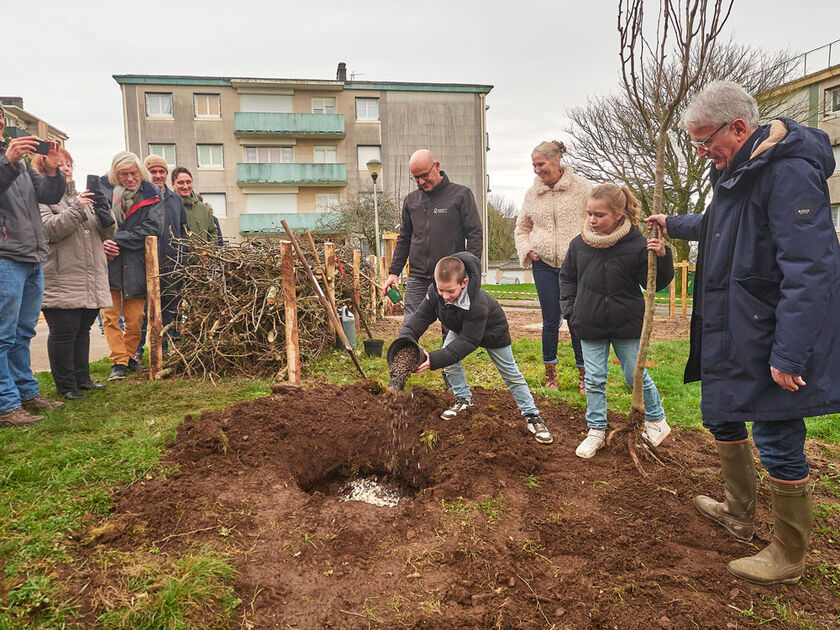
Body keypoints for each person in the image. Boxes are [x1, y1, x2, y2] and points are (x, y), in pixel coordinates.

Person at [646, 81, 840, 585]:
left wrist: (790, 353)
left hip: (770, 330)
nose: (701, 151)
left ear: (738, 127)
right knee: (724, 415)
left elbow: (810, 268)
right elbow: (719, 226)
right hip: (734, 325)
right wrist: (671, 221)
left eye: (705, 139)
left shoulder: (789, 172)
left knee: (776, 435)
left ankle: (788, 554)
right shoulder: (737, 171)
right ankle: (737, 512)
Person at [559, 184, 673, 459]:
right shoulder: (579, 244)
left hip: (627, 323)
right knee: (595, 378)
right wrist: (571, 312)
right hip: (589, 324)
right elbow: (567, 278)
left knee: (634, 375)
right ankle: (596, 430)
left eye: (599, 215)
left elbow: (655, 284)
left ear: (619, 214)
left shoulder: (637, 244)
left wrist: (662, 256)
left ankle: (657, 421)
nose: (592, 220)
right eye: (589, 214)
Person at [399, 252, 553, 445]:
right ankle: (464, 400)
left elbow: (469, 342)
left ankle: (532, 415)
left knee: (511, 374)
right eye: (441, 290)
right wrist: (405, 339)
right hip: (461, 328)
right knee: (450, 363)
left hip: (492, 333)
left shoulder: (477, 304)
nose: (445, 297)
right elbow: (419, 318)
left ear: (464, 283)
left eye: (451, 292)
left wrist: (434, 359)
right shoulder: (434, 293)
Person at [0, 102, 67, 427]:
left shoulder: (21, 164)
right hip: (4, 257)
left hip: (30, 254)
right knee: (2, 334)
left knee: (23, 331)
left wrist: (52, 169)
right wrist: (10, 161)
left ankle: (26, 393)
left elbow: (48, 196)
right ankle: (6, 405)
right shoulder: (11, 161)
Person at [35, 149, 115, 399]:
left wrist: (104, 211)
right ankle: (66, 385)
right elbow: (49, 230)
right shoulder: (41, 199)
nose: (66, 170)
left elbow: (108, 233)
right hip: (61, 279)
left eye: (68, 165)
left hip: (89, 277)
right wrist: (76, 208)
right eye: (59, 166)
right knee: (63, 333)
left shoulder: (84, 198)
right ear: (46, 170)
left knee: (83, 329)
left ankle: (83, 379)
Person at [515, 140, 593, 393]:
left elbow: (595, 219)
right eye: (534, 165)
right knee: (550, 321)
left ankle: (584, 375)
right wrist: (528, 250)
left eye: (541, 164)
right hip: (544, 265)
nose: (537, 170)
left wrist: (587, 248)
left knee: (577, 320)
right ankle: (551, 374)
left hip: (576, 265)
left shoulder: (582, 188)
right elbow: (522, 228)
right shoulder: (532, 193)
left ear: (557, 159)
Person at [383, 149, 483, 317]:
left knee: (452, 328)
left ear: (436, 167)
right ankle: (409, 345)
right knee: (410, 326)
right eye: (416, 178)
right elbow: (404, 238)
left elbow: (475, 235)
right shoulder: (411, 201)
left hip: (449, 277)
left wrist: (467, 271)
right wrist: (394, 272)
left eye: (424, 175)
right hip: (417, 277)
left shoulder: (461, 195)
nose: (421, 182)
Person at [100, 152, 163, 381]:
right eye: (123, 174)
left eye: (133, 173)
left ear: (140, 172)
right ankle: (119, 361)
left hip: (136, 264)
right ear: (115, 175)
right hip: (109, 263)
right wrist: (105, 244)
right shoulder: (103, 191)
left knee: (135, 318)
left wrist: (116, 240)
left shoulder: (152, 193)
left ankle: (127, 356)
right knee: (110, 316)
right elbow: (96, 224)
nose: (129, 178)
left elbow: (152, 228)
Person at [134, 155, 189, 362]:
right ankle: (137, 352)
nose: (157, 175)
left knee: (171, 307)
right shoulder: (139, 196)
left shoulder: (175, 200)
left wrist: (182, 255)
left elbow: (184, 230)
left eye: (161, 171)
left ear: (166, 174)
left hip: (172, 263)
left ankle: (169, 347)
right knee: (144, 311)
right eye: (153, 171)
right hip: (144, 262)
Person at [171, 167, 218, 244]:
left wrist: (209, 249)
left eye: (188, 182)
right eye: (181, 182)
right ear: (173, 184)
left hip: (202, 255)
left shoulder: (202, 208)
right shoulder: (169, 207)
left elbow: (213, 232)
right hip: (178, 255)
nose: (185, 186)